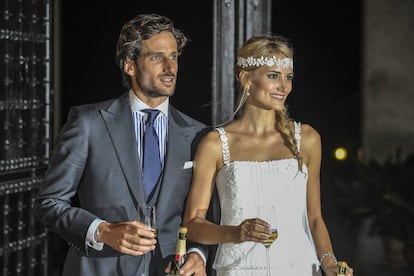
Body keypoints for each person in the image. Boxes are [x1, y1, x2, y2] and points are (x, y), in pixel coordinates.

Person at [34, 13, 209, 276]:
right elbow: (49, 203)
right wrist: (103, 231)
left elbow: (207, 214)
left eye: (173, 56)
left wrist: (199, 254)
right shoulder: (88, 123)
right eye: (157, 57)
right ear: (129, 65)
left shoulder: (198, 134)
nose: (170, 67)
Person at [182, 35, 354, 276]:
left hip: (298, 268)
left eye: (288, 77)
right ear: (246, 79)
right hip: (239, 270)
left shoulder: (307, 139)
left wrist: (330, 264)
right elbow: (192, 225)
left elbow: (315, 219)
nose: (284, 86)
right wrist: (234, 232)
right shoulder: (215, 144)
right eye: (273, 76)